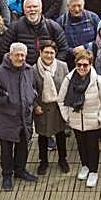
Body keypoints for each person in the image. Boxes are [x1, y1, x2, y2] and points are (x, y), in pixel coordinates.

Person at [0, 43, 37, 190]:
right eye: (17, 55)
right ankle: (7, 175)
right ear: (10, 55)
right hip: (7, 118)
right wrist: (4, 99)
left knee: (23, 146)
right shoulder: (0, 71)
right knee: (6, 150)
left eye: (22, 55)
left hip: (24, 117)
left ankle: (20, 170)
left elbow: (33, 87)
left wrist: (32, 97)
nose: (20, 58)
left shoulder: (29, 69)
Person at [60, 50, 101, 187]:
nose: (82, 68)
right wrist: (67, 117)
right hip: (76, 121)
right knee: (81, 145)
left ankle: (93, 171)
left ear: (91, 65)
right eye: (79, 65)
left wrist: (100, 118)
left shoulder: (99, 81)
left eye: (85, 65)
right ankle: (85, 166)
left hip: (93, 121)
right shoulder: (68, 80)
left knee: (92, 147)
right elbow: (60, 99)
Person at [32, 40, 70, 174]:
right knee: (42, 136)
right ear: (40, 52)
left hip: (58, 107)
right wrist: (35, 106)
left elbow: (68, 86)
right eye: (46, 52)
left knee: (61, 134)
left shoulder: (62, 66)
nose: (49, 55)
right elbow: (30, 90)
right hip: (42, 109)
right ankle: (43, 161)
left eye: (52, 53)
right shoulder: (33, 69)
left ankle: (62, 159)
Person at [8, 0, 69, 64]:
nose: (32, 9)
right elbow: (6, 50)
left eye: (35, 6)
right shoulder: (15, 27)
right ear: (24, 10)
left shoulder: (53, 26)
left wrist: (53, 65)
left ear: (41, 9)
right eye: (28, 7)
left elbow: (64, 49)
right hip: (23, 71)